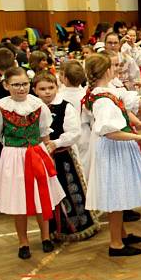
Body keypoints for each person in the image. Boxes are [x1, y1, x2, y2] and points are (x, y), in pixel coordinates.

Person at [83, 53, 141, 257]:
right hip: (113, 148)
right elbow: (109, 131)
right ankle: (115, 243)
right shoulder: (103, 100)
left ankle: (121, 234)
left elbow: (129, 102)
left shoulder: (106, 91)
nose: (116, 69)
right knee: (115, 195)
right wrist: (136, 137)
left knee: (119, 192)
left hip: (115, 147)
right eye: (112, 66)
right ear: (105, 71)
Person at [0, 67, 65, 259]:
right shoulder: (0, 107)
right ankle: (23, 241)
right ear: (6, 85)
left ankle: (45, 237)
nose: (21, 88)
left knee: (42, 196)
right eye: (16, 85)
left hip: (36, 153)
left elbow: (45, 133)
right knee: (18, 200)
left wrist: (48, 155)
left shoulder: (38, 104)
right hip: (13, 156)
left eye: (24, 84)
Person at [34, 72, 99, 242]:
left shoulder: (65, 106)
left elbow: (74, 132)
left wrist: (55, 143)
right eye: (42, 89)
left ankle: (81, 226)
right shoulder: (32, 108)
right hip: (40, 157)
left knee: (70, 189)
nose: (47, 92)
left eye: (51, 87)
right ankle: (52, 230)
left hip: (63, 157)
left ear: (57, 87)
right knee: (47, 194)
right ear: (35, 90)